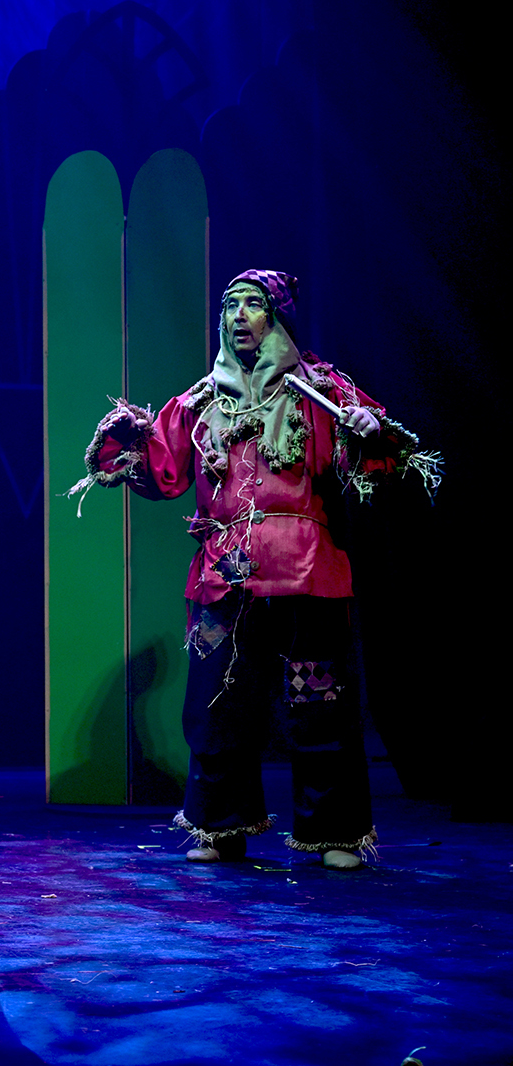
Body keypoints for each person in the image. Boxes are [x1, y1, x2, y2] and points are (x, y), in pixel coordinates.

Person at [72, 270, 439, 869]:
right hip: (226, 574)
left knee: (318, 701)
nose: (239, 315)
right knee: (217, 702)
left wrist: (367, 429)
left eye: (254, 304)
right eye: (230, 305)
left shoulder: (320, 390)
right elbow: (162, 472)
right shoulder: (199, 402)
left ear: (278, 316)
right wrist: (129, 439)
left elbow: (376, 454)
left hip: (307, 570)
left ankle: (335, 833)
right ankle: (220, 826)